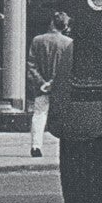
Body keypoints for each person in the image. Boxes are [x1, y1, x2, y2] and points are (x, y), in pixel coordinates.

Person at [26, 10, 72, 159]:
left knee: (39, 115)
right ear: (64, 26)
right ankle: (63, 148)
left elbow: (31, 64)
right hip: (60, 86)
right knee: (63, 116)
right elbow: (68, 67)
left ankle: (36, 146)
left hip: (41, 87)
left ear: (51, 22)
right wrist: (54, 81)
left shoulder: (37, 40)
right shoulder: (68, 43)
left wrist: (42, 83)